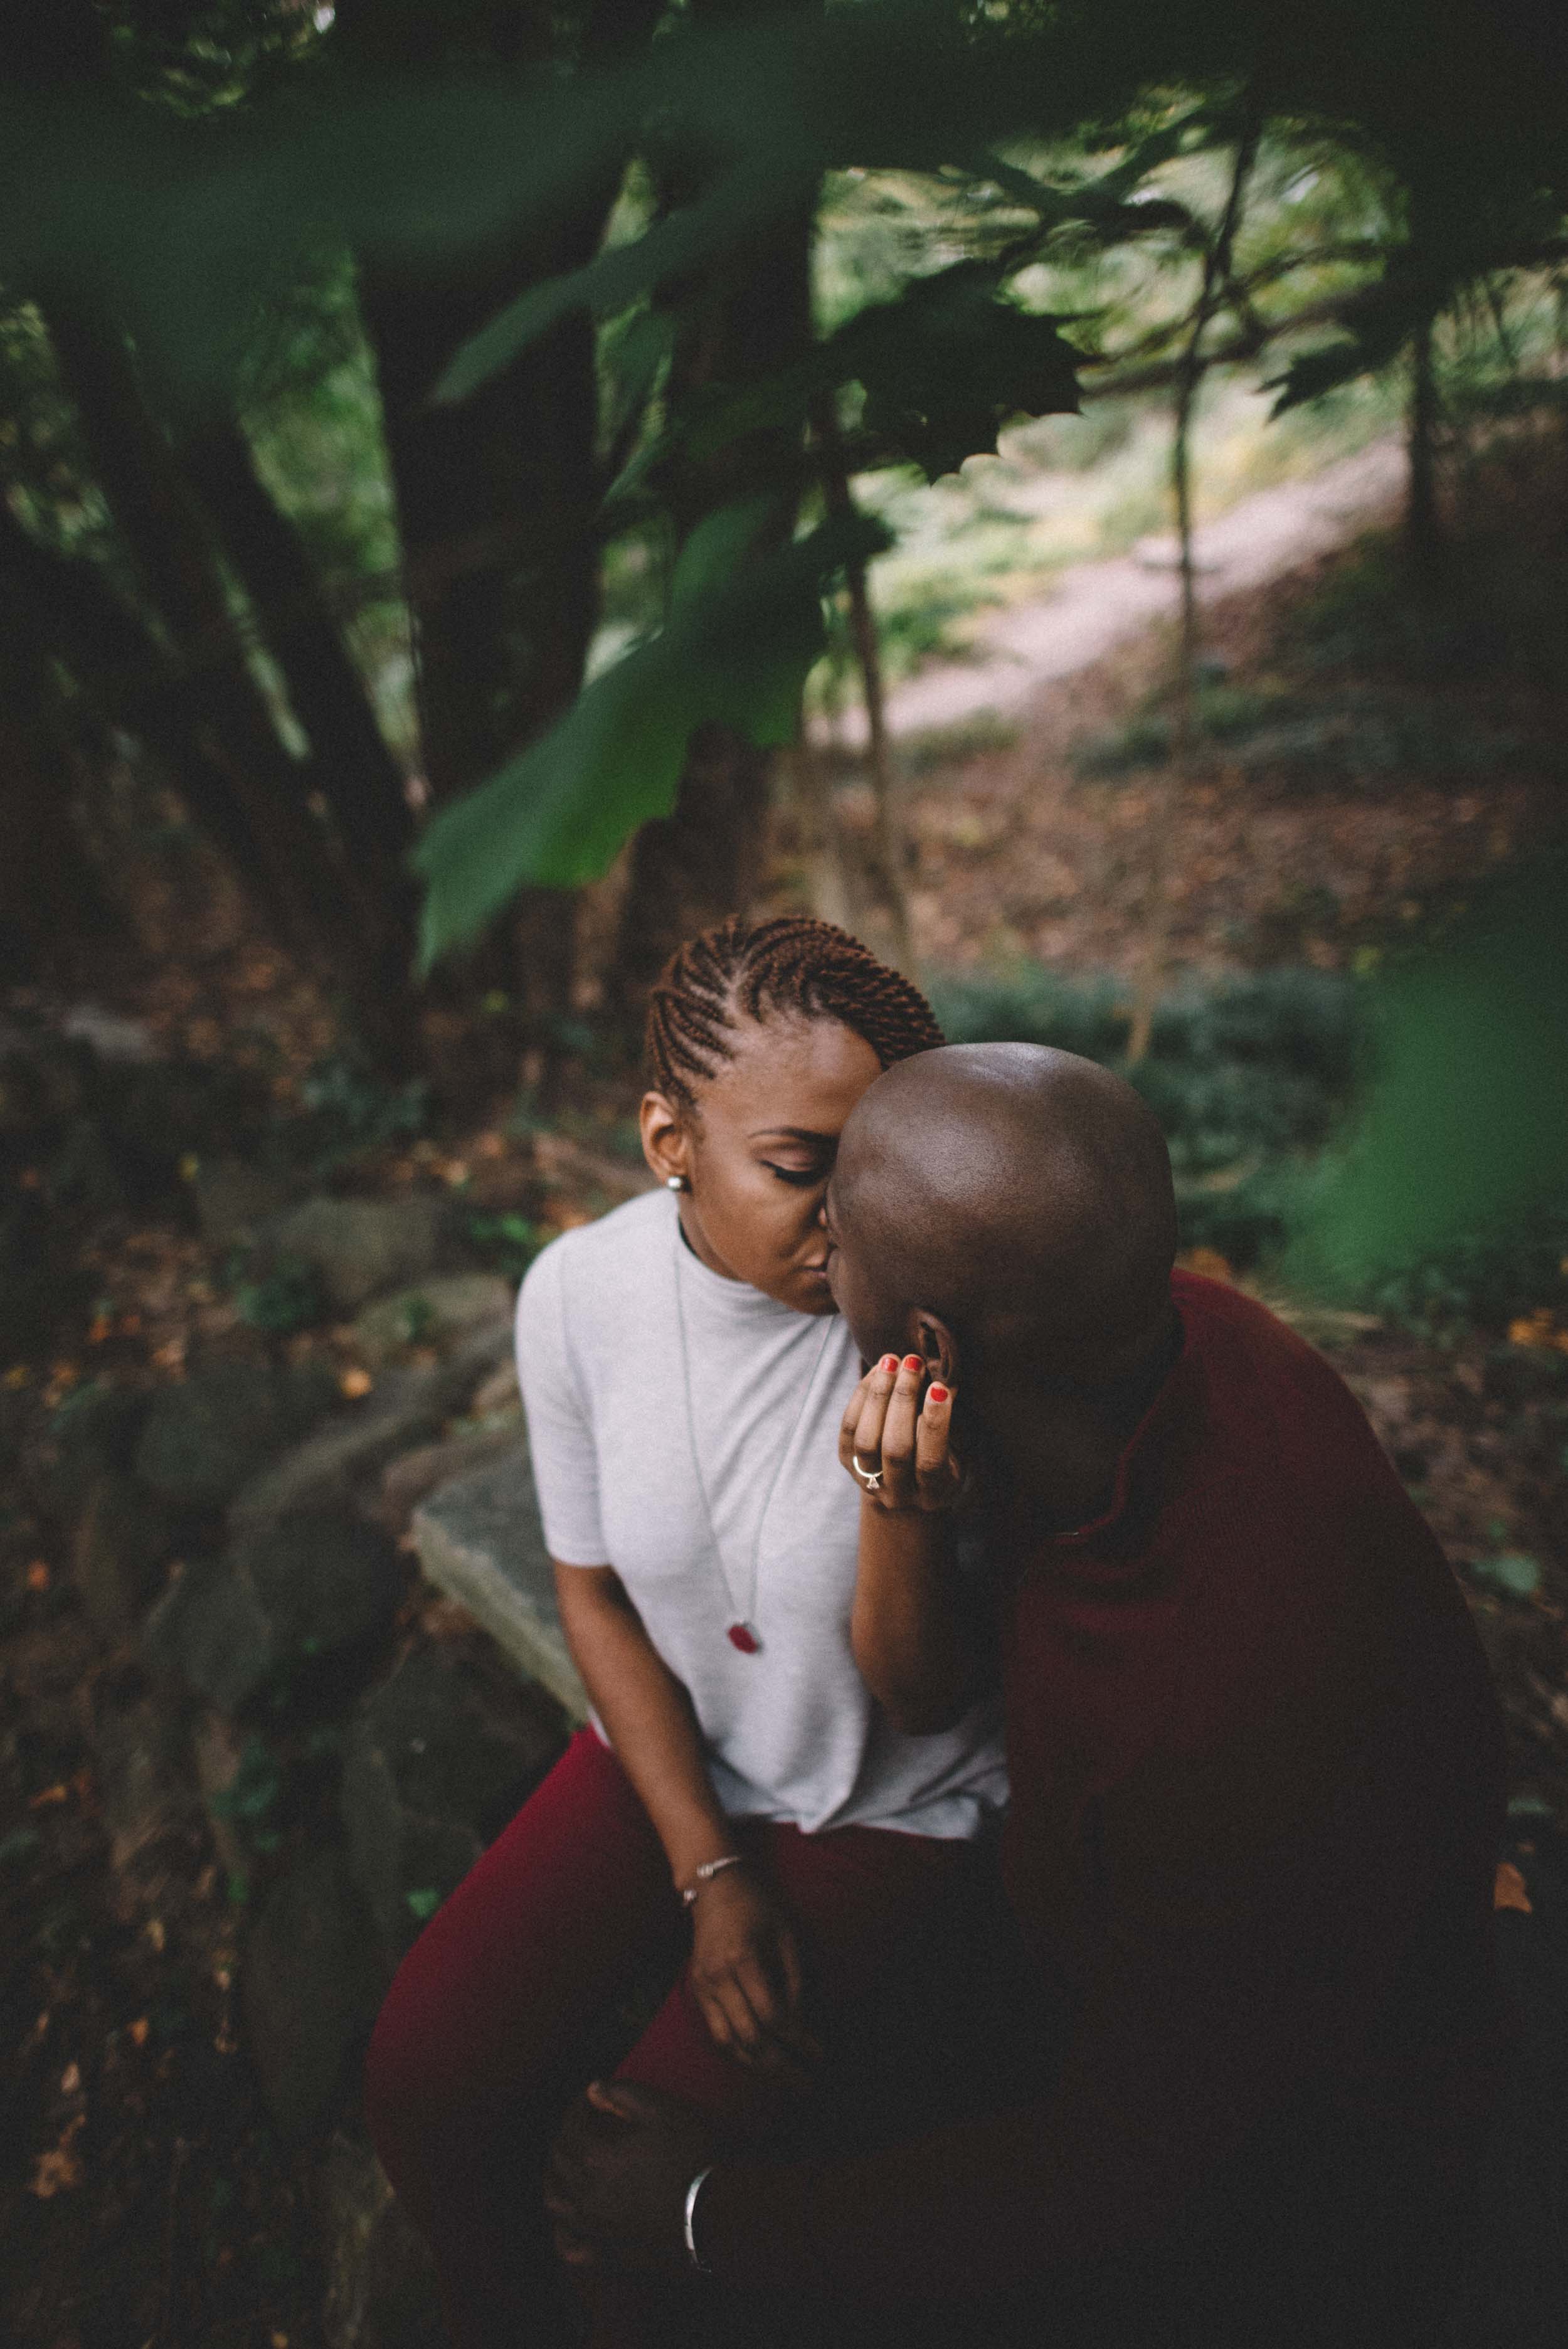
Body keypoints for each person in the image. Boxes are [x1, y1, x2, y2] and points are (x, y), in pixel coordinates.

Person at [544, 1041, 1508, 2349]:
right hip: (1122, 1952)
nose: (812, 1237)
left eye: (841, 1222)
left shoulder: (1212, 1699)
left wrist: (711, 2213)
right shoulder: (1198, 1340)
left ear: (928, 1341)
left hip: (1292, 2178)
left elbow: (1121, 2166)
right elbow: (927, 1683)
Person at [364, 925, 1009, 2349]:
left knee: (631, 2223)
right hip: (678, 1747)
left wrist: (899, 1507)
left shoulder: (917, 1326)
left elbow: (916, 1698)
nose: (849, 1219)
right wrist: (707, 1873)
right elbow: (590, 1591)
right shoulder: (577, 1296)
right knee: (426, 2076)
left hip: (880, 1802)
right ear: (669, 1134)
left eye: (880, 1167)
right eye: (799, 1167)